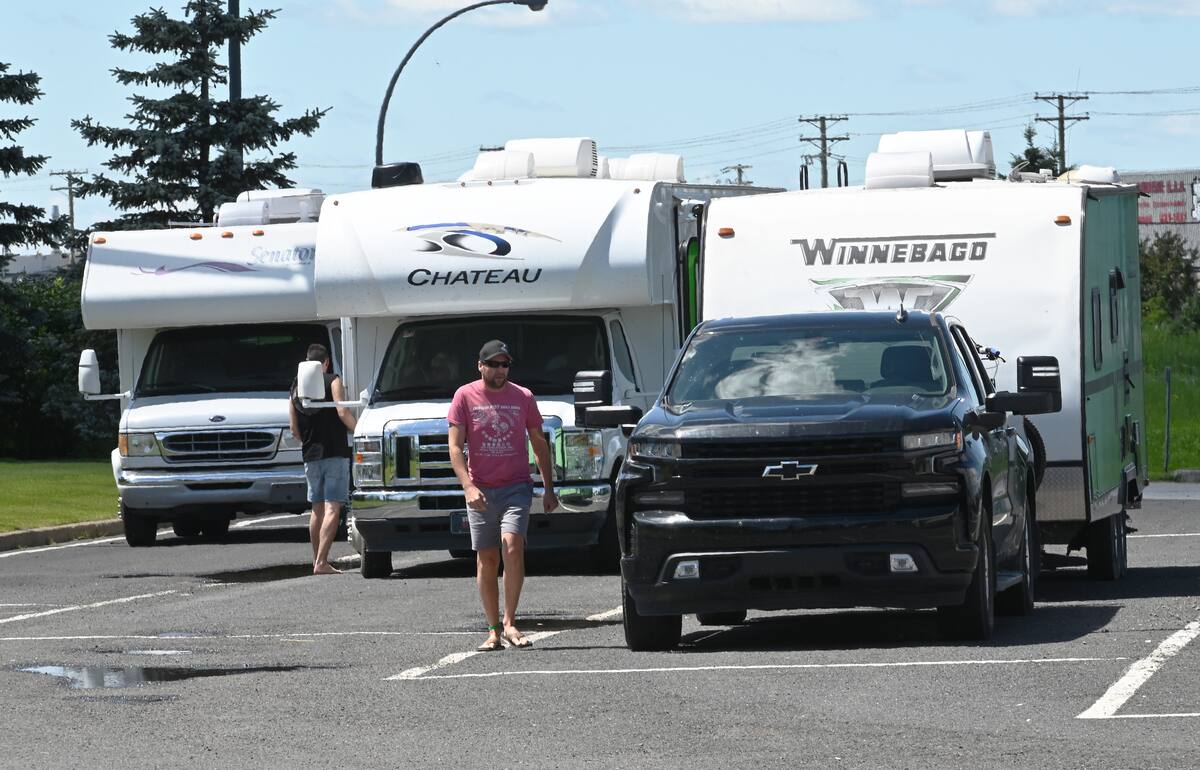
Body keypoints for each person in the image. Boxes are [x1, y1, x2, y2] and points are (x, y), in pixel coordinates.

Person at [448, 339, 558, 651]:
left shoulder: (523, 396)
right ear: (480, 365)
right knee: (487, 557)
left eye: (505, 364)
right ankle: (493, 629)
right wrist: (468, 486)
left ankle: (510, 622)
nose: (500, 369)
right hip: (481, 488)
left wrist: (549, 488)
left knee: (512, 545)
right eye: (493, 364)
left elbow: (538, 442)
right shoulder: (464, 396)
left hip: (516, 487)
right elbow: (455, 447)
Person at [289, 343, 357, 575]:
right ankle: (322, 562)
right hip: (334, 452)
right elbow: (342, 411)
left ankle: (317, 560)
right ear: (326, 362)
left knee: (316, 509)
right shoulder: (333, 380)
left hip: (310, 455)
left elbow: (294, 430)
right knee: (333, 507)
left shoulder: (295, 388)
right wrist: (360, 431)